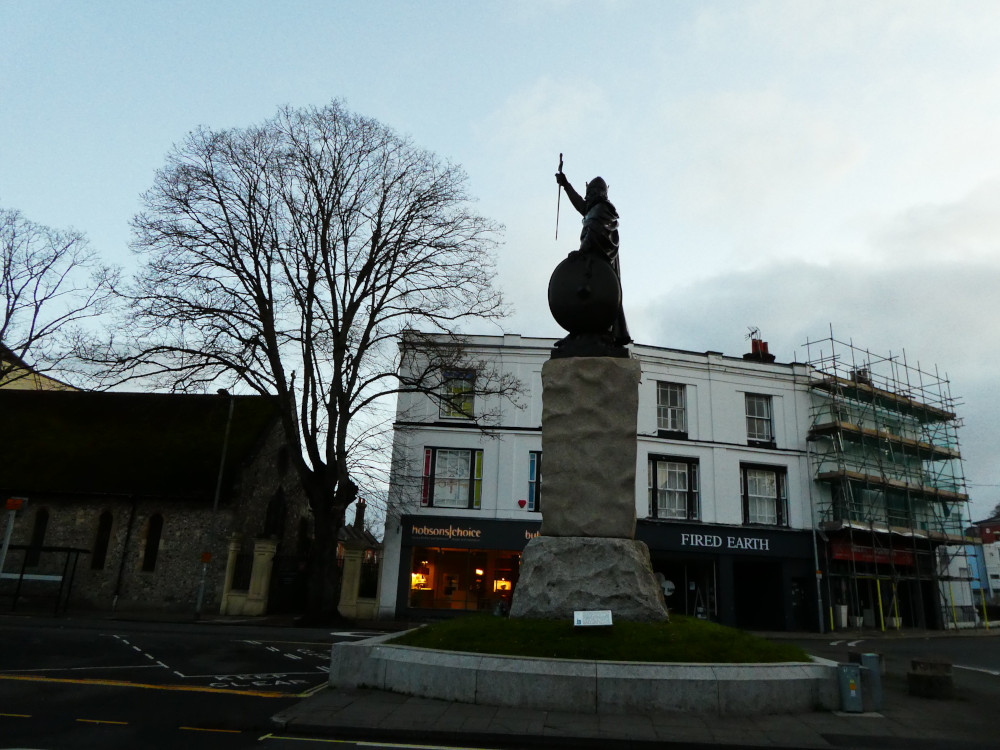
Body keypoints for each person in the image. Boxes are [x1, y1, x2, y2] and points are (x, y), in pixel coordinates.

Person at [555, 172, 632, 346]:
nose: (588, 197)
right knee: (585, 297)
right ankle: (579, 333)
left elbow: (595, 229)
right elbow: (582, 207)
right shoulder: (594, 208)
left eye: (591, 192)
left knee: (596, 297)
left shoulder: (602, 209)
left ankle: (600, 334)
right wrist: (566, 185)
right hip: (591, 263)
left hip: (596, 264)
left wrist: (582, 251)